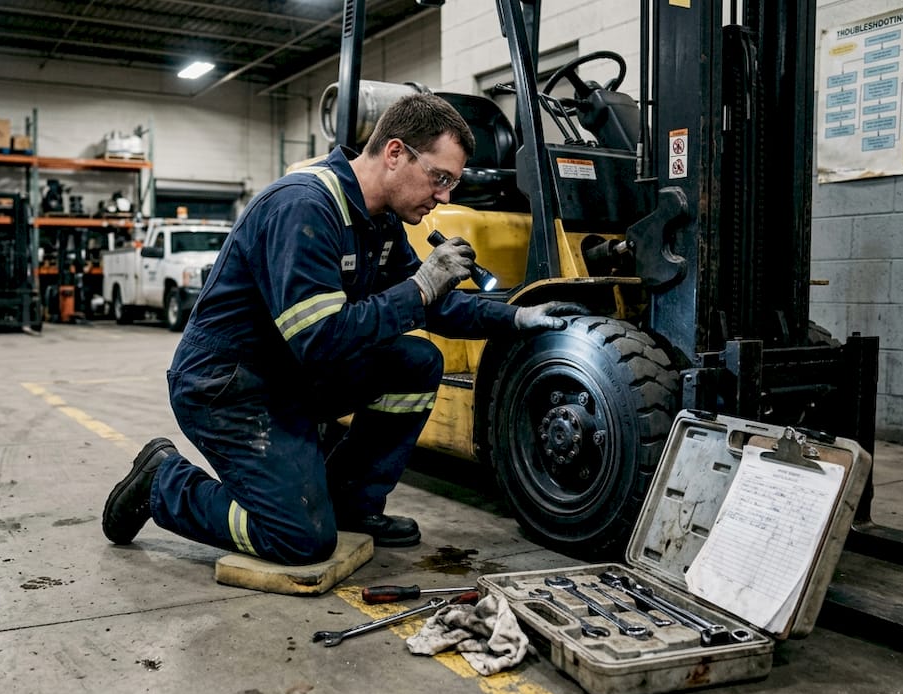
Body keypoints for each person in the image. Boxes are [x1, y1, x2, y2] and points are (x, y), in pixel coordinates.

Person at [102, 93, 567, 565]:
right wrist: (420, 287)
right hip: (228, 387)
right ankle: (163, 482)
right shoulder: (303, 207)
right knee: (299, 540)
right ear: (394, 153)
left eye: (452, 182)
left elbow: (436, 306)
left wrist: (515, 317)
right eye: (440, 178)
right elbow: (320, 339)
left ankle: (352, 505)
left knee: (415, 362)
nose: (445, 195)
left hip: (289, 377)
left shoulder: (377, 221)